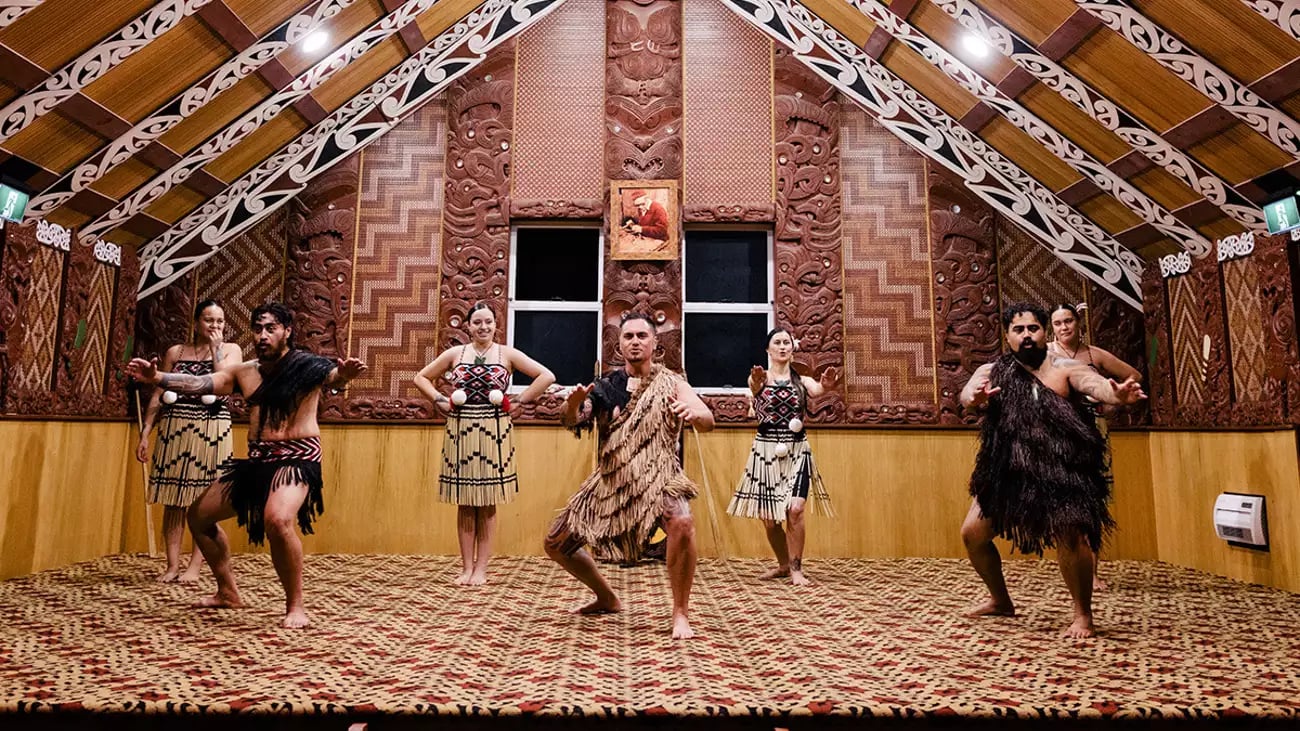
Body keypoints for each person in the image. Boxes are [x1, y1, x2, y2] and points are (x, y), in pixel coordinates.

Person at [126, 302, 366, 629]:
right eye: (257, 329)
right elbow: (204, 384)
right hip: (258, 460)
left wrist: (345, 375)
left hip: (297, 458)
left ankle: (295, 606)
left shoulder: (307, 365)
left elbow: (334, 378)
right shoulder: (246, 372)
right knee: (198, 515)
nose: (263, 335)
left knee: (278, 520)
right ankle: (228, 592)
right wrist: (159, 377)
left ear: (287, 332)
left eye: (270, 329)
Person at [959, 302, 1144, 639]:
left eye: (1033, 329)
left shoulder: (1065, 367)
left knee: (1072, 538)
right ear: (1007, 335)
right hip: (1008, 470)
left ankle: (1083, 616)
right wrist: (974, 397)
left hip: (1060, 471)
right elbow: (967, 396)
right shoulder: (992, 370)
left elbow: (1097, 386)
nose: (1027, 336)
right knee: (972, 534)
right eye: (1019, 330)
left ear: (1045, 332)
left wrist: (1116, 395)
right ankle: (1001, 601)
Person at [544, 313, 714, 639]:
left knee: (682, 522)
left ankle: (680, 612)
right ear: (619, 344)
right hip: (612, 482)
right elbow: (575, 419)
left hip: (660, 477)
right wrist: (572, 406)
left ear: (655, 343)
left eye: (641, 336)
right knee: (555, 543)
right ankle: (606, 596)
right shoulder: (607, 386)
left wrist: (696, 413)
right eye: (628, 337)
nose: (635, 341)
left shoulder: (672, 383)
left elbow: (706, 418)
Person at [413, 302, 555, 585]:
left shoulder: (506, 354)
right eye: (477, 322)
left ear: (495, 324)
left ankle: (482, 569)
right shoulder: (456, 354)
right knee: (466, 501)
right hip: (461, 428)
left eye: (488, 322)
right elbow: (421, 377)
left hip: (495, 429)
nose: (483, 327)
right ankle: (466, 567)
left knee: (487, 501)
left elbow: (546, 376)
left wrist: (520, 401)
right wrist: (439, 400)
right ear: (468, 326)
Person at [136, 299, 242, 583]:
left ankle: (195, 566)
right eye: (209, 320)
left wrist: (216, 347)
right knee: (173, 499)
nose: (215, 326)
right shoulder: (176, 352)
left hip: (211, 429)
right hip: (174, 428)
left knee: (203, 501)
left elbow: (223, 379)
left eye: (220, 321)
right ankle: (172, 565)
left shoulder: (232, 350)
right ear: (196, 322)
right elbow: (159, 394)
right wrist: (146, 431)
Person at [726, 328, 838, 585]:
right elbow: (754, 387)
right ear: (768, 349)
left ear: (792, 348)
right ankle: (784, 564)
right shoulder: (759, 378)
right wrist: (755, 380)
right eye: (777, 343)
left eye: (786, 342)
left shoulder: (803, 381)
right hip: (765, 451)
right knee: (768, 517)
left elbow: (819, 389)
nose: (782, 347)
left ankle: (797, 568)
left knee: (795, 510)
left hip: (798, 451)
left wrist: (828, 384)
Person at [1047, 303, 1142, 591]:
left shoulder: (1094, 354)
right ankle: (1071, 563)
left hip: (1093, 429)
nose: (1064, 328)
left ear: (1078, 323)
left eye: (1068, 321)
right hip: (1059, 432)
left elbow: (1133, 375)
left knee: (1093, 499)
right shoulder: (1047, 356)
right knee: (1064, 499)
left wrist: (1112, 404)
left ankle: (1093, 571)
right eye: (1058, 323)